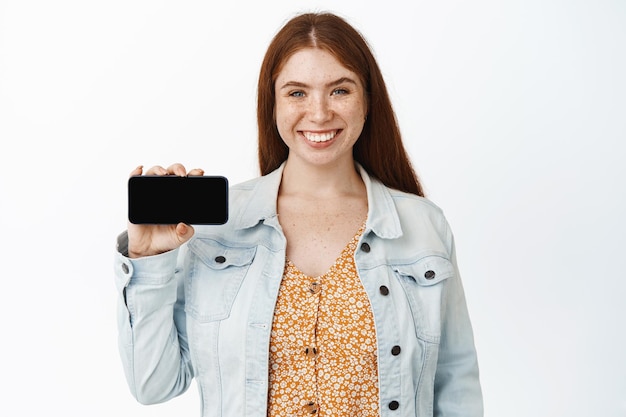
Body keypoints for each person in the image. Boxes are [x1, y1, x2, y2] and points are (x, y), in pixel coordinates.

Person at [114, 11, 483, 417]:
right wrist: (149, 260)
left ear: (368, 101)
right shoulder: (216, 229)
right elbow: (154, 385)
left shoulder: (423, 227)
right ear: (272, 104)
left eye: (340, 90)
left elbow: (455, 386)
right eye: (297, 93)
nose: (320, 113)